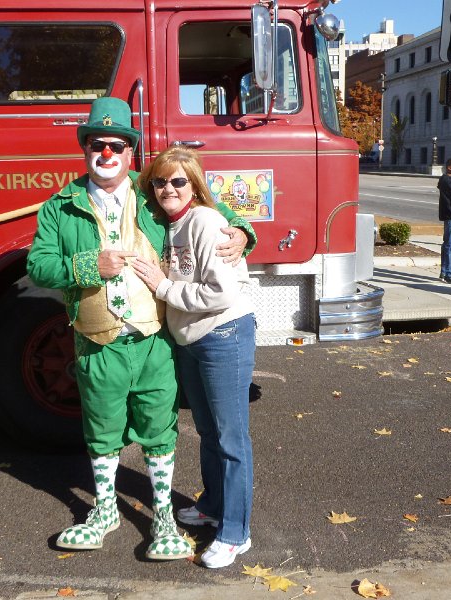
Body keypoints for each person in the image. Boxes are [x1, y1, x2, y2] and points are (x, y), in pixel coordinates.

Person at [25, 97, 256, 560]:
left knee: (159, 428)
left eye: (117, 145)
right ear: (85, 149)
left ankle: (166, 517)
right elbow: (38, 265)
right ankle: (105, 509)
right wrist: (88, 263)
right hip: (97, 341)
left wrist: (244, 232)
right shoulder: (60, 206)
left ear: (131, 152)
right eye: (97, 144)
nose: (106, 153)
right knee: (102, 430)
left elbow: (209, 209)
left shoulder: (153, 190)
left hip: (154, 339)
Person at [132, 146, 256, 569]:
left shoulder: (205, 220)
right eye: (160, 181)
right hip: (190, 338)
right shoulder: (168, 220)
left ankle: (236, 532)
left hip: (223, 334)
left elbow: (221, 292)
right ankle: (213, 506)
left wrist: (164, 287)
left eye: (179, 181)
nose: (169, 188)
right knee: (207, 431)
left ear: (195, 184)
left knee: (231, 439)